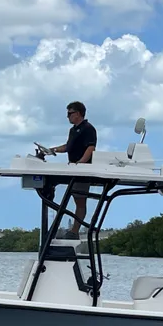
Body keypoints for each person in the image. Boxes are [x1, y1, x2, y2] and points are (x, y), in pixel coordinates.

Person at [49, 101, 97, 239]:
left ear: (78, 113)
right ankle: (68, 230)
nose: (67, 117)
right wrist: (53, 150)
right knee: (76, 200)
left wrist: (80, 164)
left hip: (82, 171)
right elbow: (68, 146)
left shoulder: (88, 128)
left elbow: (90, 147)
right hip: (74, 169)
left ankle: (74, 232)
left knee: (80, 201)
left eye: (70, 113)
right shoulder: (73, 130)